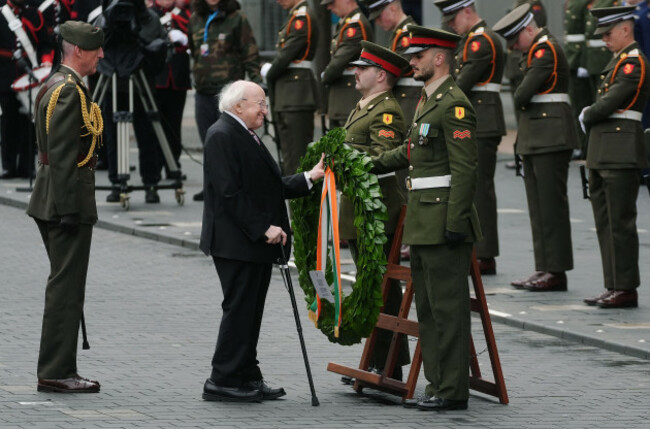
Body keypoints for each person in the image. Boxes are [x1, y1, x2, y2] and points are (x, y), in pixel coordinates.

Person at [370, 25, 480, 411]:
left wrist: (455, 222)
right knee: (430, 311)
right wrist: (370, 163)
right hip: (422, 220)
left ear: (439, 58)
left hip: (444, 222)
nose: (411, 62)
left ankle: (453, 390)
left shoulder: (454, 103)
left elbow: (466, 170)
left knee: (448, 310)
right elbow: (411, 152)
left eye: (418, 56)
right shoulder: (426, 100)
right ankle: (437, 384)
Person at [199, 80, 325, 402]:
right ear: (239, 105)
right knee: (239, 309)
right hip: (236, 242)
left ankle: (246, 374)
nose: (265, 111)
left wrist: (309, 178)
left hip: (251, 243)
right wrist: (262, 228)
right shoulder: (222, 135)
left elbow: (266, 185)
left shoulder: (243, 133)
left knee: (251, 311)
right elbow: (229, 193)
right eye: (260, 104)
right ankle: (223, 379)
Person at [26, 20, 104, 393]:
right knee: (66, 290)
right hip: (64, 201)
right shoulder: (69, 91)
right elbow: (60, 155)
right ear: (79, 51)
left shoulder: (56, 84)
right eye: (96, 49)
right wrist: (70, 209)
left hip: (52, 199)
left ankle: (60, 368)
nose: (101, 55)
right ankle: (57, 371)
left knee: (65, 286)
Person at [494, 4, 579, 292]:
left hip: (550, 135)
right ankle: (544, 267)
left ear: (530, 29)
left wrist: (521, 79)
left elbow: (520, 95)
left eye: (516, 39)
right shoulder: (534, 50)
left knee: (550, 207)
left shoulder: (545, 51)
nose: (514, 46)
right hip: (538, 135)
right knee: (538, 208)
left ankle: (555, 270)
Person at [339, 41, 410, 381]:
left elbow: (384, 158)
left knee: (380, 287)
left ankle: (388, 362)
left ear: (381, 75)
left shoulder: (387, 111)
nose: (355, 71)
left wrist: (345, 163)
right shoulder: (365, 105)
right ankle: (375, 358)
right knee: (370, 287)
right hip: (358, 208)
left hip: (376, 210)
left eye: (362, 68)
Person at [579, 6, 650, 309]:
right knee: (605, 222)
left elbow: (612, 100)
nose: (604, 39)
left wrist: (587, 112)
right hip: (605, 151)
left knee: (619, 223)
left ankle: (625, 287)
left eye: (608, 33)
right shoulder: (618, 60)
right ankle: (613, 284)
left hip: (620, 151)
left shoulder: (633, 62)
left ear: (625, 29)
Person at [434, 0, 506, 276]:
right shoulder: (471, 41)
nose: (451, 25)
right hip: (473, 122)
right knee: (471, 186)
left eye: (453, 19)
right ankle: (478, 250)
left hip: (482, 123)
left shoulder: (480, 42)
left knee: (479, 190)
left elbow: (461, 83)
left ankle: (485, 254)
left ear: (467, 11)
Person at [188, 0, 262, 201]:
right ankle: (211, 186)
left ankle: (235, 186)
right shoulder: (195, 19)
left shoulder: (237, 18)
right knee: (209, 142)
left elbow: (250, 53)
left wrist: (258, 88)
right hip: (203, 92)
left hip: (230, 95)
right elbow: (195, 51)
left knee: (231, 142)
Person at [261, 0, 319, 175]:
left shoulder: (302, 17)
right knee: (290, 157)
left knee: (297, 160)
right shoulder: (295, 15)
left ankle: (300, 201)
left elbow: (287, 55)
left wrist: (269, 71)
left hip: (296, 94)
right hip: (289, 94)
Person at [0, 0, 54, 179]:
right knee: (8, 122)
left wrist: (46, 61)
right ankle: (8, 165)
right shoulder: (2, 15)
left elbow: (46, 43)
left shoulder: (33, 15)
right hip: (5, 75)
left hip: (29, 74)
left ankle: (26, 166)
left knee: (29, 123)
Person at [151, 0, 191, 180]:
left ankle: (173, 165)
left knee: (174, 125)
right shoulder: (150, 15)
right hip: (156, 79)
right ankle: (155, 166)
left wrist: (184, 40)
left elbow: (194, 38)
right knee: (154, 125)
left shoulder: (185, 14)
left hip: (177, 78)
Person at [364, 0, 419, 122]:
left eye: (379, 16)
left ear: (393, 9)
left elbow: (394, 68)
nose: (377, 22)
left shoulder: (407, 35)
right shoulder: (398, 34)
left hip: (408, 102)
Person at [320, 0, 373, 129]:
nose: (329, 7)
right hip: (342, 100)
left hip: (348, 99)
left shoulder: (355, 25)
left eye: (332, 2)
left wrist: (325, 77)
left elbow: (338, 63)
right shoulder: (347, 22)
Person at [564, 0, 593, 160]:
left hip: (580, 59)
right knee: (575, 104)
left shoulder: (584, 3)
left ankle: (586, 145)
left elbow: (587, 32)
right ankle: (580, 144)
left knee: (583, 103)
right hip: (572, 58)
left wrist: (584, 62)